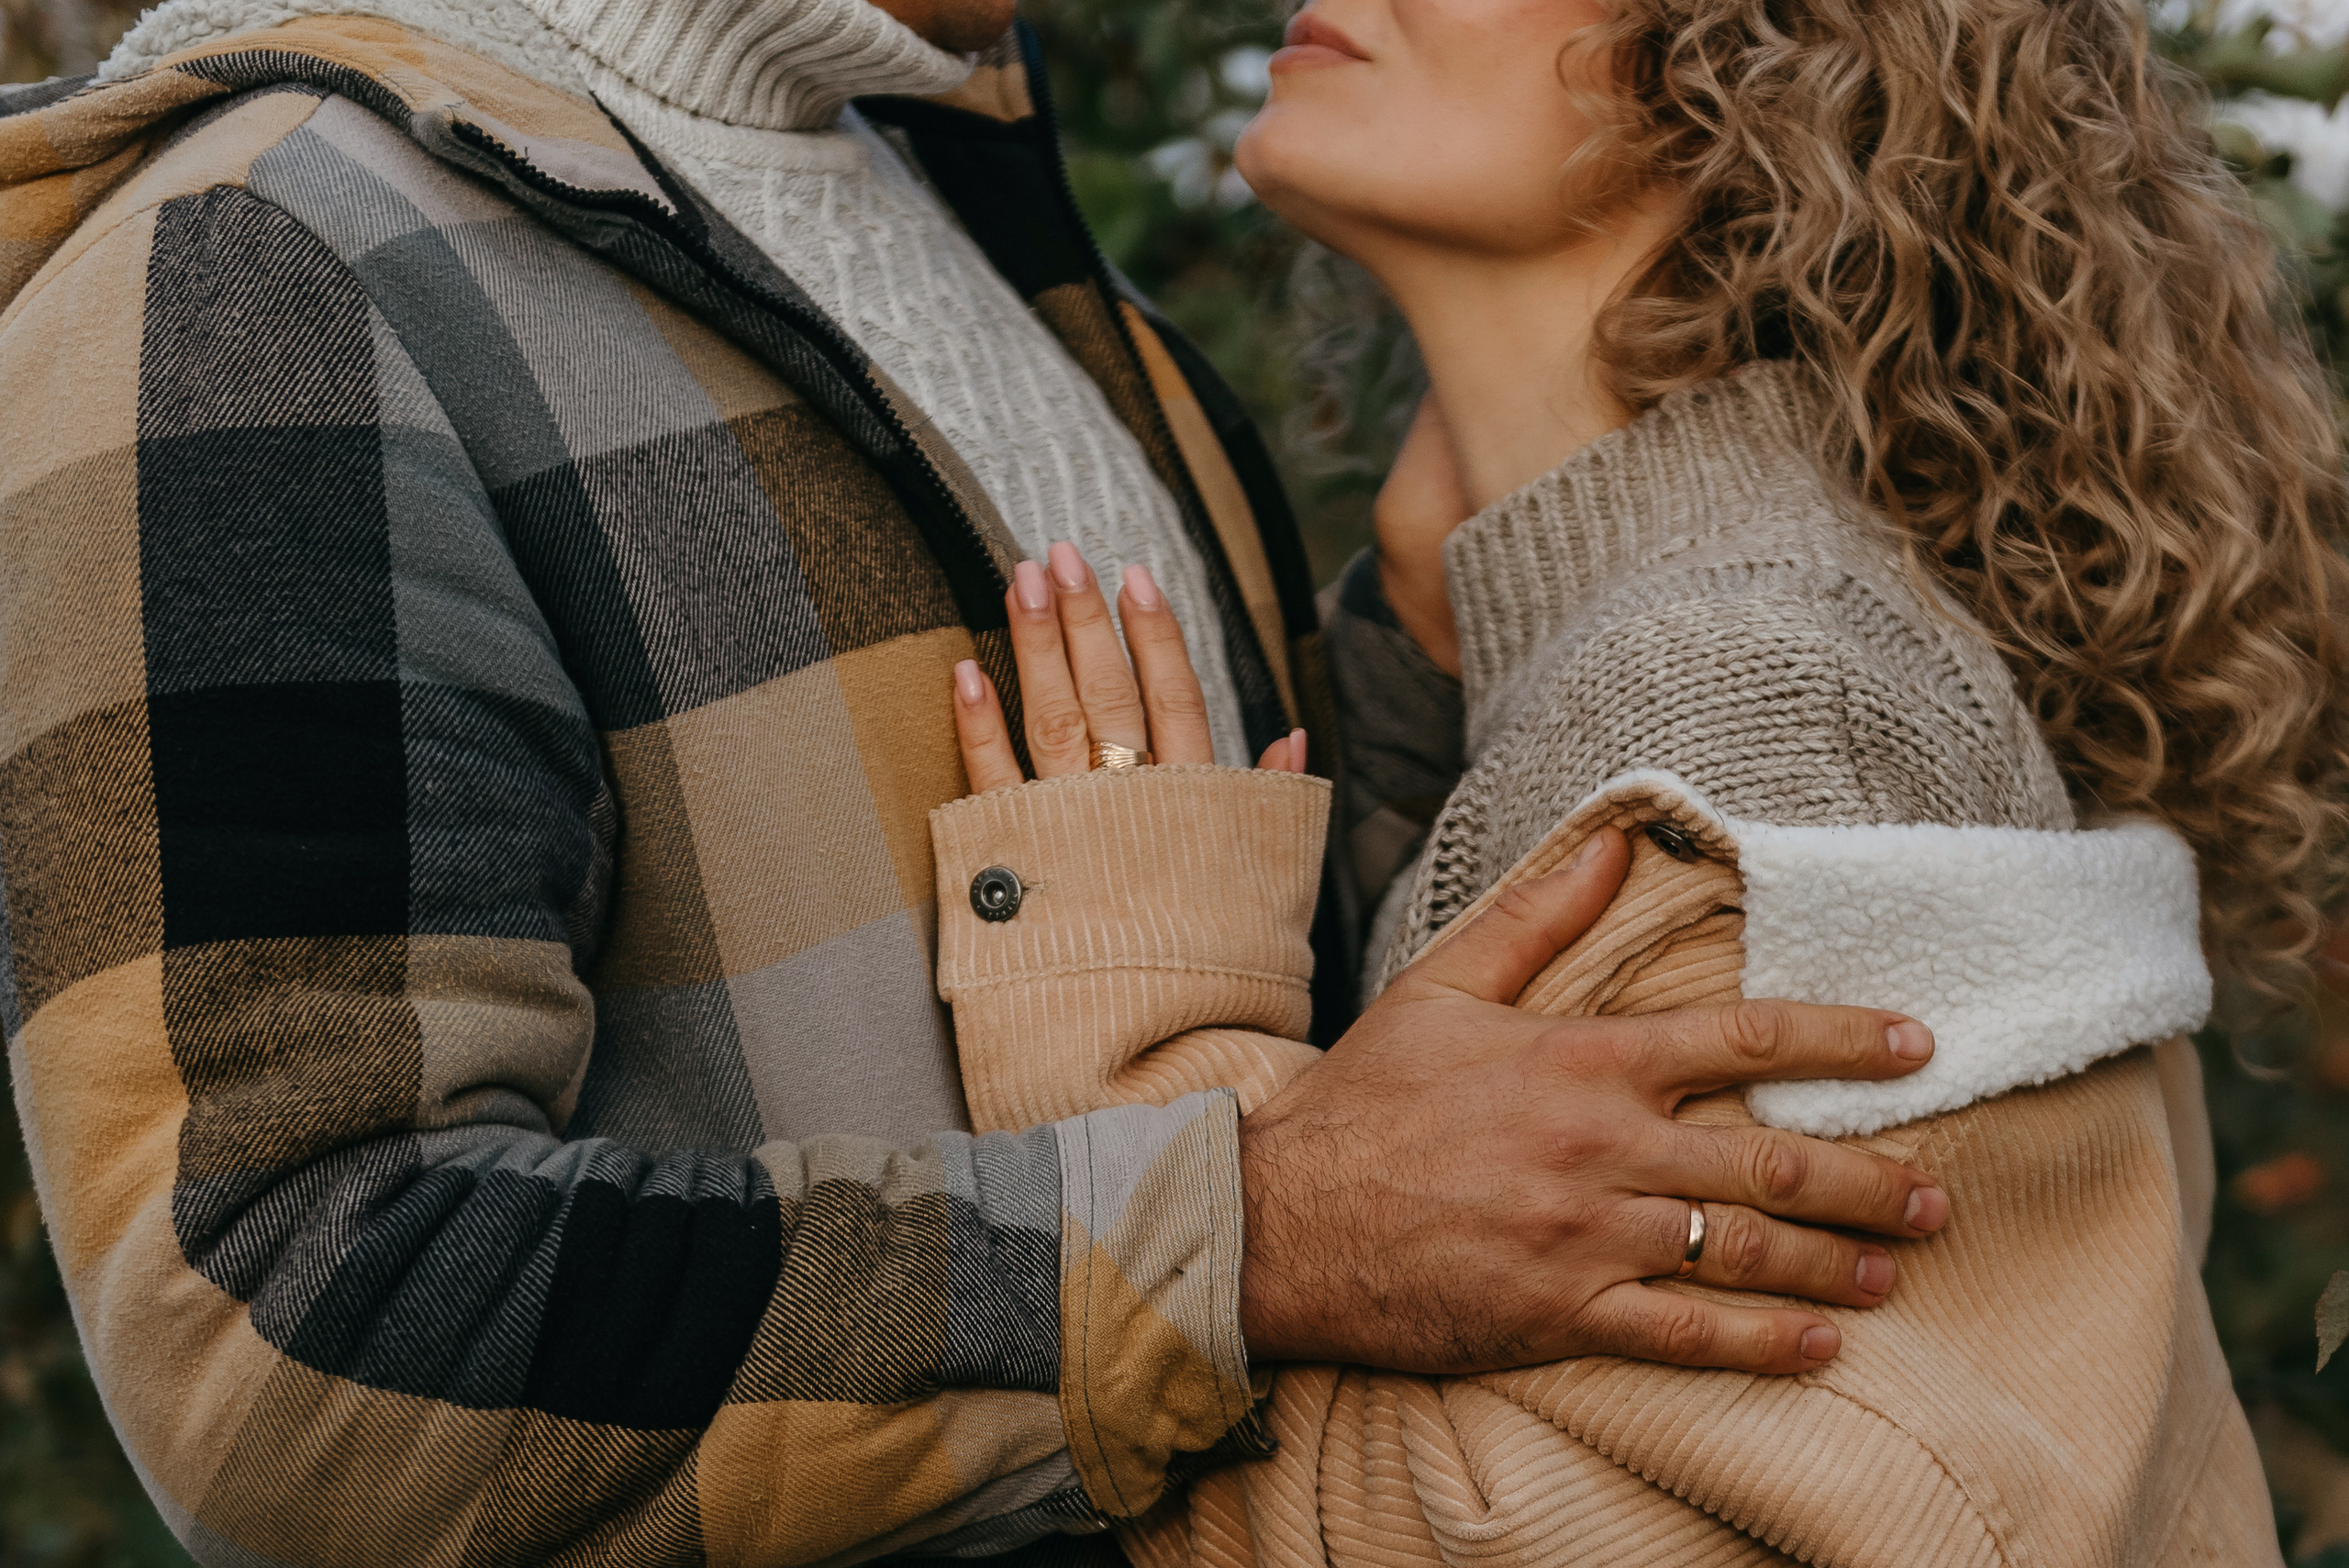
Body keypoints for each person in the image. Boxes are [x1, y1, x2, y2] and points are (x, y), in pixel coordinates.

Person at [0, 0, 1951, 1562]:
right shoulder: (260, 268)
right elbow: (292, 1350)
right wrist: (1254, 1229)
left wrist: (1417, 675)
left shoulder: (1029, 280)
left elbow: (1346, 1051)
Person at [927, 0, 2347, 1560]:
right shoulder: (1717, 626)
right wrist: (1411, 665)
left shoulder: (1735, 692)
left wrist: (1136, 1036)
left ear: (1752, 65)